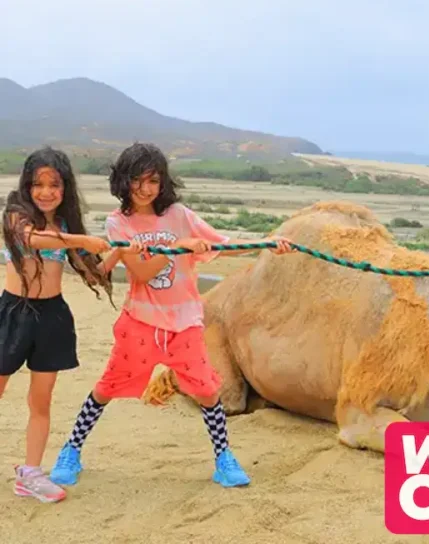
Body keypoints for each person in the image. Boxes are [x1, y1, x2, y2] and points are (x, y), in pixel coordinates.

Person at [49, 141, 296, 490]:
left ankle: (224, 459)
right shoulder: (118, 223)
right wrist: (180, 247)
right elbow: (144, 272)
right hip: (141, 323)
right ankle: (71, 449)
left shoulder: (179, 215)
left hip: (185, 323)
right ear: (124, 181)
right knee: (107, 387)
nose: (146, 189)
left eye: (153, 180)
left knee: (209, 391)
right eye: (138, 180)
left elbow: (221, 243)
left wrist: (269, 243)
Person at [0, 146, 140, 503]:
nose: (46, 192)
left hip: (51, 318)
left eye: (54, 184)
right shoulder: (16, 213)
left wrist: (122, 250)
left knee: (41, 401)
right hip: (13, 314)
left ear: (66, 188)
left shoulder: (65, 225)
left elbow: (94, 274)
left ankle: (30, 474)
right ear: (27, 186)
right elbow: (30, 239)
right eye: (38, 184)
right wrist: (81, 240)